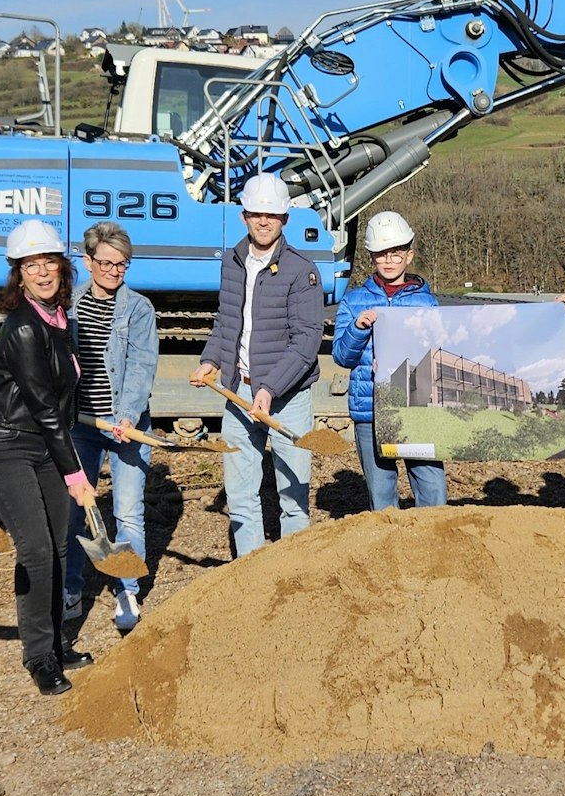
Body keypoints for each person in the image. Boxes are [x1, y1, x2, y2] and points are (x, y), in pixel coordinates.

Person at [0, 219, 97, 695]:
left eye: (49, 261)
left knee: (62, 545)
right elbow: (44, 407)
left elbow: (63, 396)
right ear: (18, 274)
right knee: (37, 551)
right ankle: (40, 657)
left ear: (62, 268)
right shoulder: (24, 328)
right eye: (31, 265)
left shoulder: (60, 318)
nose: (42, 271)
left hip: (46, 441)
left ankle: (55, 644)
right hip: (9, 445)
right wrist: (76, 473)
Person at [192, 173, 324, 557]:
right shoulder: (232, 262)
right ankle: (249, 578)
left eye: (272, 214)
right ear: (244, 216)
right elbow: (226, 322)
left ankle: (292, 574)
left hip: (287, 397)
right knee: (241, 492)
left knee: (293, 494)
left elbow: (306, 343)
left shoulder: (303, 271)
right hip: (238, 391)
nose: (263, 221)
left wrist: (269, 389)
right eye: (255, 213)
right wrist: (210, 360)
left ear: (285, 219)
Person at [66, 221, 159, 633]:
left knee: (128, 511)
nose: (114, 271)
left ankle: (127, 589)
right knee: (74, 508)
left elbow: (142, 365)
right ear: (88, 261)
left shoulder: (138, 309)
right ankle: (69, 587)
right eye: (106, 263)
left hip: (125, 425)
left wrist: (128, 414)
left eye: (122, 264)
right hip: (80, 424)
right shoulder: (65, 305)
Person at [331, 211, 447, 511]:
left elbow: (440, 352)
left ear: (409, 256)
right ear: (372, 257)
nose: (389, 260)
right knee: (382, 495)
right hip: (369, 409)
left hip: (417, 407)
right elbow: (342, 357)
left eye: (396, 253)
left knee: (432, 489)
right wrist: (357, 329)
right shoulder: (353, 301)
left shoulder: (427, 301)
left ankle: (434, 549)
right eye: (382, 254)